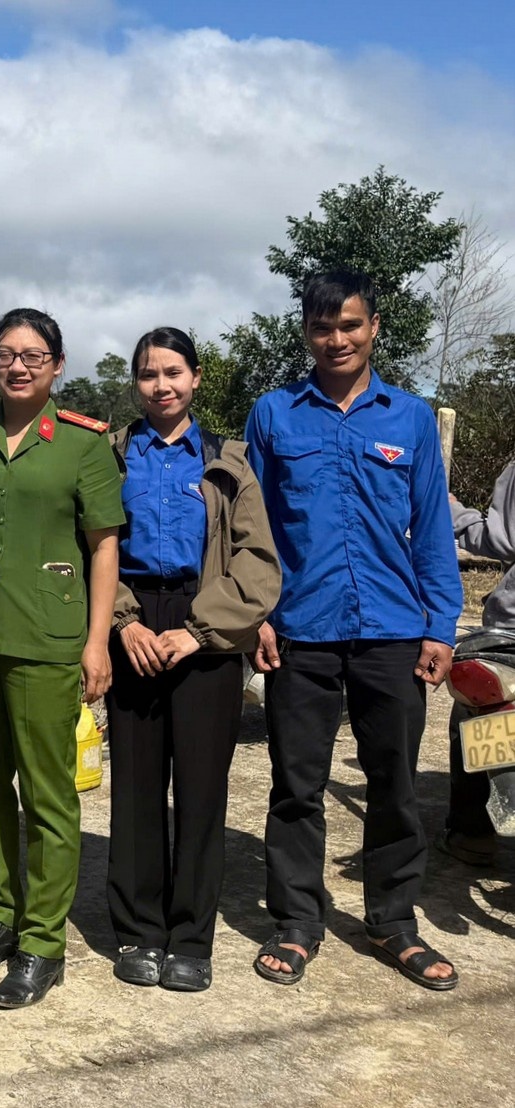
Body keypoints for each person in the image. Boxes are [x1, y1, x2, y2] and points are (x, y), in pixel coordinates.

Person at [247, 270, 463, 991]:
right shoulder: (273, 415)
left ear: (373, 328)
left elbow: (432, 529)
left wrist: (440, 626)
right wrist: (258, 616)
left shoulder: (409, 418)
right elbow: (253, 530)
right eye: (321, 327)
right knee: (295, 784)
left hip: (393, 629)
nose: (335, 339)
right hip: (299, 630)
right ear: (306, 333)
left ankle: (393, 922)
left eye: (348, 325)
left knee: (393, 782)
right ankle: (296, 921)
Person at [0, 308, 124, 1009]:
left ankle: (42, 941)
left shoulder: (83, 443)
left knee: (47, 795)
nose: (18, 366)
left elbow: (104, 545)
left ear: (57, 366)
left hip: (47, 638)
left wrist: (96, 641)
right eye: (6, 354)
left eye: (33, 356)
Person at [105, 327, 280, 992]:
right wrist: (123, 622)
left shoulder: (228, 463)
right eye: (149, 374)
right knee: (136, 787)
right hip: (131, 621)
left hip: (206, 627)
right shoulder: (110, 456)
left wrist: (198, 632)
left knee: (202, 791)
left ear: (196, 377)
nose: (161, 386)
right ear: (136, 382)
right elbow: (92, 545)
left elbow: (256, 562)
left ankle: (190, 937)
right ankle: (138, 930)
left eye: (173, 372)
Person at [442, 459, 515, 865]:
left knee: (477, 702)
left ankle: (473, 831)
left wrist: (454, 511)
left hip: (511, 629)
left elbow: (502, 540)